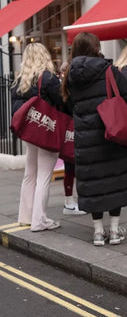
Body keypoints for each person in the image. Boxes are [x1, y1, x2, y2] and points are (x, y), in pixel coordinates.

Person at [61, 32, 127, 246]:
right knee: (114, 180)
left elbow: (66, 105)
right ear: (96, 47)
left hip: (85, 139)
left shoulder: (70, 74)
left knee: (93, 182)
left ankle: (97, 233)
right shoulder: (108, 71)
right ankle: (114, 232)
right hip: (111, 134)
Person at [11, 43, 64, 232]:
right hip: (46, 130)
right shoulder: (48, 77)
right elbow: (62, 101)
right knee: (44, 176)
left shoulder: (20, 79)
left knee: (30, 174)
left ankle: (26, 216)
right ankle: (39, 220)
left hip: (29, 131)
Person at [59, 61, 86, 216]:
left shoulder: (63, 89)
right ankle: (71, 202)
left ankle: (69, 201)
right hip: (76, 130)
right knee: (76, 167)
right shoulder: (74, 89)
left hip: (68, 132)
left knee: (69, 168)